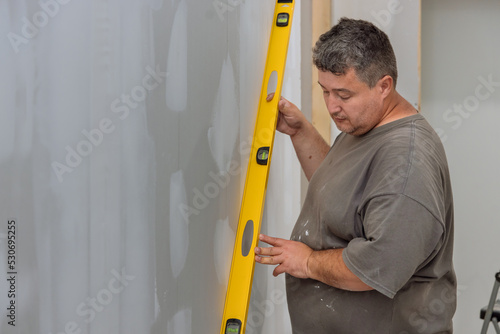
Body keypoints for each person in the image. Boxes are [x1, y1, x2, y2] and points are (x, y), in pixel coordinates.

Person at [254, 17, 457, 333]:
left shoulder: (407, 162)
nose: (332, 106)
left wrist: (307, 262)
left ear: (384, 86)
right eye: (325, 92)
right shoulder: (364, 125)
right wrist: (301, 133)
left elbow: (376, 266)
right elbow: (346, 192)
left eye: (344, 95)